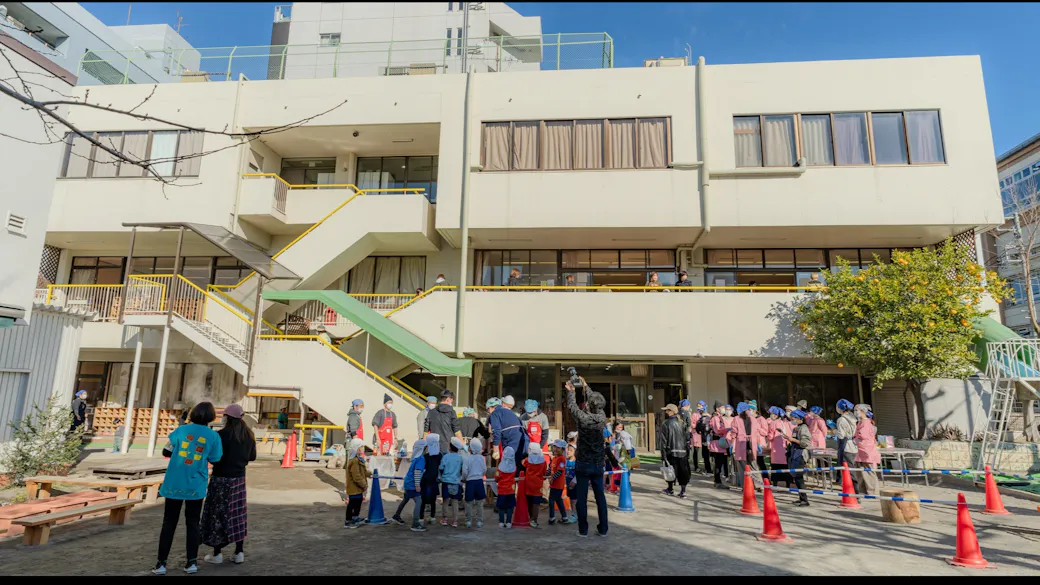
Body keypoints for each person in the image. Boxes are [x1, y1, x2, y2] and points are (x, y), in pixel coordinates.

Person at [153, 402, 223, 575]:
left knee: (169, 522)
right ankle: (191, 563)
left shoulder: (180, 430)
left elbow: (166, 452)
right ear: (211, 417)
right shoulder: (213, 436)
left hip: (174, 483)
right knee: (192, 523)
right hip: (195, 484)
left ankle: (161, 564)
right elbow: (216, 459)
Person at [201, 404, 256, 565]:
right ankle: (239, 552)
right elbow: (252, 457)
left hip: (220, 479)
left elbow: (213, 457)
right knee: (238, 515)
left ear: (227, 417)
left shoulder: (220, 435)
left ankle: (217, 553)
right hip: (238, 480)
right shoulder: (249, 435)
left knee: (218, 514)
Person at [565, 378, 609, 537]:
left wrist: (571, 391)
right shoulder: (602, 416)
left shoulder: (582, 418)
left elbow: (572, 406)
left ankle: (583, 530)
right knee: (600, 497)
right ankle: (603, 529)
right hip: (597, 463)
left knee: (582, 498)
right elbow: (595, 402)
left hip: (583, 463)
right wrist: (585, 385)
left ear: (589, 405)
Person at [392, 439, 427, 531]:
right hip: (413, 484)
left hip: (408, 483)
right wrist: (417, 485)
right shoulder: (421, 459)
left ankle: (397, 515)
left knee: (405, 499)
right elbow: (417, 472)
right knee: (419, 502)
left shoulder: (415, 458)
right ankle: (415, 523)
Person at [659, 403, 691, 498]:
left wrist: (663, 453)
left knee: (670, 471)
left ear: (672, 411)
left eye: (667, 410)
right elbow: (687, 437)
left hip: (671, 451)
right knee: (683, 471)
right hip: (683, 451)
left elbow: (663, 440)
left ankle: (670, 489)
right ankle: (683, 491)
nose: (666, 412)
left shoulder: (666, 423)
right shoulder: (682, 423)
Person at [489, 394, 528, 472]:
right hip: (524, 440)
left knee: (509, 467)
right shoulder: (514, 415)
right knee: (521, 469)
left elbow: (496, 431)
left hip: (512, 441)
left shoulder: (496, 413)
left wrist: (495, 449)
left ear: (502, 403)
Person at [781, 409, 812, 506]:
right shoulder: (796, 428)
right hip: (794, 453)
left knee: (799, 477)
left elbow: (805, 443)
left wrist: (792, 439)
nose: (792, 420)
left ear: (799, 418)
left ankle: (804, 499)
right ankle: (801, 497)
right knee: (796, 477)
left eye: (793, 418)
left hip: (801, 454)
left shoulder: (804, 428)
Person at [344, 438, 372, 528]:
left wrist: (371, 473)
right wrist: (364, 485)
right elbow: (356, 476)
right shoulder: (354, 461)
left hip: (357, 488)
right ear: (357, 448)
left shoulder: (358, 459)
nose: (363, 448)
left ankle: (355, 517)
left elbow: (363, 472)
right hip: (354, 487)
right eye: (361, 447)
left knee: (358, 502)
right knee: (352, 503)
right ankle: (348, 521)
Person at [425, 389, 463, 454]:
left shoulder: (431, 412)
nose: (452, 402)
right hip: (448, 447)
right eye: (452, 400)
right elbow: (457, 431)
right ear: (448, 399)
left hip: (434, 447)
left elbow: (425, 431)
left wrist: (425, 446)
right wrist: (463, 445)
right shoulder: (452, 412)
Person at [853, 404, 880, 495]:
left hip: (866, 450)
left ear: (863, 411)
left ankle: (872, 492)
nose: (855, 412)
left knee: (868, 472)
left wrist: (854, 439)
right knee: (860, 473)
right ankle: (863, 490)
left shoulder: (866, 423)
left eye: (857, 410)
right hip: (861, 450)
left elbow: (863, 436)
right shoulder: (861, 422)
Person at [438, 437, 465, 527]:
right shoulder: (460, 458)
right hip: (456, 482)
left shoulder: (445, 457)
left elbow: (441, 468)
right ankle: (455, 521)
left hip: (446, 481)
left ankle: (444, 519)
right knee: (455, 502)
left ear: (450, 447)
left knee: (445, 501)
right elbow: (462, 470)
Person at [462, 437, 487, 528]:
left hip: (470, 482)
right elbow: (484, 469)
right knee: (480, 503)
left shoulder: (467, 458)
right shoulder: (481, 458)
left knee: (469, 503)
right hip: (479, 481)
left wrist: (464, 478)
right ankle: (479, 521)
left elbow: (465, 471)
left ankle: (468, 520)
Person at [523, 442, 548, 527]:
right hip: (538, 485)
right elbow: (544, 473)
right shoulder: (543, 461)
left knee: (529, 501)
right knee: (536, 503)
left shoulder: (527, 460)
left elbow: (523, 463)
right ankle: (534, 520)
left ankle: (530, 517)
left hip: (528, 483)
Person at [766, 407, 791, 488]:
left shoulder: (773, 423)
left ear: (776, 415)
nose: (771, 415)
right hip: (785, 447)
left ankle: (775, 484)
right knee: (785, 467)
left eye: (772, 413)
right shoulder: (786, 423)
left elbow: (770, 436)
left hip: (776, 448)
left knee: (776, 467)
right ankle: (788, 484)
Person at [420, 434, 442, 525]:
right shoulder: (439, 455)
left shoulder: (426, 456)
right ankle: (432, 517)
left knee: (423, 500)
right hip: (434, 480)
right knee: (433, 500)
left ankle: (421, 518)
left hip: (425, 480)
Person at [547, 439, 570, 525]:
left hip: (558, 484)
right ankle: (564, 517)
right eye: (555, 447)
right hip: (553, 484)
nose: (556, 449)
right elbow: (550, 468)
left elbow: (559, 471)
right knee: (558, 500)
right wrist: (545, 475)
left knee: (551, 500)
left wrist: (553, 478)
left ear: (563, 450)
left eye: (558, 448)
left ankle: (552, 517)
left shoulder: (562, 459)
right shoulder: (554, 459)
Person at [708, 401, 730, 489]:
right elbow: (717, 430)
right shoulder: (715, 418)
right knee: (718, 462)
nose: (724, 409)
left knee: (720, 462)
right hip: (717, 443)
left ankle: (717, 480)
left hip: (720, 443)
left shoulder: (720, 418)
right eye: (722, 407)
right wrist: (727, 429)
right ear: (718, 409)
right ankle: (717, 481)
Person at [495, 446, 518, 528]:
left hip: (502, 490)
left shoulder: (500, 468)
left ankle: (501, 522)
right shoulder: (514, 467)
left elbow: (496, 477)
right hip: (511, 490)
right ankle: (508, 522)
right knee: (509, 507)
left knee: (501, 507)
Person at [835, 399, 859, 470]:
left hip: (845, 445)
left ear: (840, 408)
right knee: (852, 465)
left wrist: (834, 429)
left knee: (845, 466)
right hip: (853, 444)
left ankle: (844, 480)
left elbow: (841, 435)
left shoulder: (841, 420)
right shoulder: (853, 417)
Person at [694, 401, 711, 475]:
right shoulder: (698, 416)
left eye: (700, 406)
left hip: (706, 438)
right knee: (705, 455)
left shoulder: (705, 418)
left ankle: (709, 470)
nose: (699, 407)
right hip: (705, 438)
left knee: (706, 455)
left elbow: (698, 429)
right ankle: (708, 469)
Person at [564, 443, 578, 524]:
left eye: (571, 450)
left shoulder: (577, 462)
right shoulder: (566, 461)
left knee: (574, 501)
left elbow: (578, 473)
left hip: (575, 485)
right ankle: (574, 513)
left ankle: (575, 515)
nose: (568, 452)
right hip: (568, 484)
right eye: (568, 450)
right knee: (571, 500)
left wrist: (574, 481)